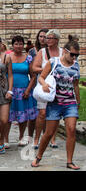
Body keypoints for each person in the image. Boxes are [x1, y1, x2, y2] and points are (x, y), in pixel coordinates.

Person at [31, 39, 81, 170]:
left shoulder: (76, 66)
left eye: (77, 55)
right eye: (72, 54)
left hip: (70, 102)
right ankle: (38, 156)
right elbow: (41, 76)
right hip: (54, 102)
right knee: (49, 132)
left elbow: (75, 84)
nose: (74, 57)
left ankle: (69, 161)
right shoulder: (53, 62)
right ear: (65, 51)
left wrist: (78, 101)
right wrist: (44, 84)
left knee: (71, 130)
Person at [32, 29, 62, 148]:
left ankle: (52, 138)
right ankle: (37, 138)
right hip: (43, 83)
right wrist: (47, 70)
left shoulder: (62, 52)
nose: (47, 40)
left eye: (50, 38)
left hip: (57, 85)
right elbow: (34, 68)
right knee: (42, 113)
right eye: (47, 38)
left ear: (56, 40)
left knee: (55, 113)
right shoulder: (42, 52)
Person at [5, 35, 38, 147]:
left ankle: (21, 137)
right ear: (12, 45)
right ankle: (5, 139)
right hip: (10, 90)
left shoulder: (28, 58)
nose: (18, 46)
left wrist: (28, 90)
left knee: (23, 116)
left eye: (20, 44)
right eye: (16, 44)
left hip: (24, 90)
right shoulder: (7, 57)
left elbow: (33, 76)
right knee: (8, 115)